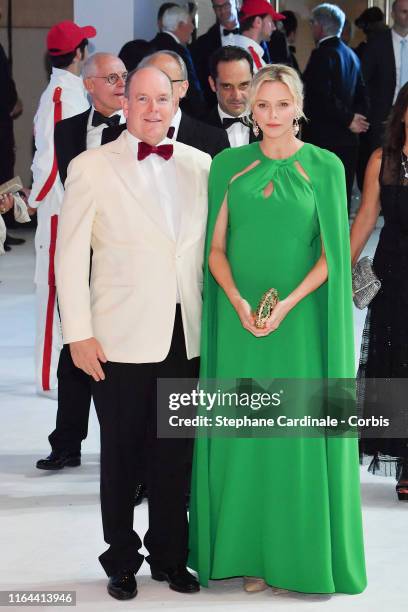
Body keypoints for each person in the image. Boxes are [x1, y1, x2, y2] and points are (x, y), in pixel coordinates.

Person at [188, 64, 367, 594]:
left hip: (300, 323)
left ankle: (298, 555)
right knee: (247, 437)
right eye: (261, 105)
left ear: (299, 107)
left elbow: (334, 253)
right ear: (250, 107)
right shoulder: (228, 166)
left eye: (281, 105)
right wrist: (240, 303)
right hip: (241, 321)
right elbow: (214, 250)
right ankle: (251, 555)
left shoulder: (326, 166)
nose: (270, 116)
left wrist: (286, 304)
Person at [55, 66, 211, 600]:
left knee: (175, 453)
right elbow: (69, 256)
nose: (151, 109)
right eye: (140, 98)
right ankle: (121, 557)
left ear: (176, 102)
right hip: (116, 336)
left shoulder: (200, 165)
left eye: (161, 99)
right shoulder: (92, 166)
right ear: (125, 102)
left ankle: (171, 554)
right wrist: (78, 333)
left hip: (183, 336)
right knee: (121, 454)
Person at [35, 53, 127, 471]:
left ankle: (127, 452)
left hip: (126, 261)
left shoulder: (143, 129)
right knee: (74, 347)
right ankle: (66, 442)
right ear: (88, 85)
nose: (120, 83)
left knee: (125, 356)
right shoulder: (68, 129)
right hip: (81, 257)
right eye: (111, 77)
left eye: (123, 76)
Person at [28, 20, 96, 398]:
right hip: (58, 205)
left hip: (62, 203)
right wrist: (37, 198)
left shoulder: (67, 90)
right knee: (52, 290)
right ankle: (47, 378)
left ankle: (53, 374)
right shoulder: (60, 94)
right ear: (80, 53)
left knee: (61, 288)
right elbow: (54, 158)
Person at [350, 82, 408, 501]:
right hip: (394, 278)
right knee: (395, 366)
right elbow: (366, 217)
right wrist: (335, 272)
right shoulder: (381, 161)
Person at [303, 3, 369, 209]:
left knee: (319, 201)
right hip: (349, 141)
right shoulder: (352, 55)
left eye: (312, 23)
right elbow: (363, 96)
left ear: (319, 27)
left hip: (323, 141)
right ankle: (341, 241)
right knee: (341, 199)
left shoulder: (321, 54)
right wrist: (355, 120)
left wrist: (349, 119)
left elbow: (320, 97)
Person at [362, 0, 408, 157]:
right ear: (393, 14)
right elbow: (364, 81)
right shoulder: (377, 43)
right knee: (382, 162)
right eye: (404, 12)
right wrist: (372, 113)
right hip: (384, 117)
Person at [0, 5, 25, 252]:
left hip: (3, 118)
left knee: (5, 173)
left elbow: (5, 80)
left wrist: (13, 98)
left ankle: (4, 229)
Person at [150, 5, 205, 117]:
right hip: (179, 114)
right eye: (190, 23)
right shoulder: (179, 51)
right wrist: (204, 117)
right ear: (180, 25)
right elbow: (192, 89)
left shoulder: (150, 46)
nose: (193, 28)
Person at [203, 45, 258, 147]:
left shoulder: (272, 125)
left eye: (243, 85)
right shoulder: (197, 131)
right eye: (227, 86)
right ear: (212, 84)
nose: (237, 96)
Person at [190, 0, 240, 106]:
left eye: (226, 5)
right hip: (217, 107)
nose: (222, 11)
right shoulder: (203, 43)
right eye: (217, 7)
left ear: (236, 4)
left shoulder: (253, 30)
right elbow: (202, 79)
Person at [232, 0, 285, 72]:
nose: (274, 27)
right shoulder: (248, 57)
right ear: (258, 22)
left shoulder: (237, 49)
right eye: (271, 21)